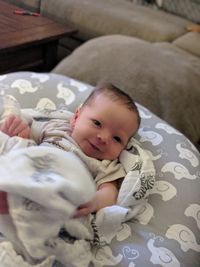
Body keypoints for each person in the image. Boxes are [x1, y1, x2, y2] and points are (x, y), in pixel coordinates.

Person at [0, 83, 141, 217]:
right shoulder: (56, 127)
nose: (104, 138)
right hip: (28, 172)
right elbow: (28, 142)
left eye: (117, 139)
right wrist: (17, 134)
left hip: (56, 194)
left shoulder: (106, 165)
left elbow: (110, 194)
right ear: (76, 117)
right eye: (97, 123)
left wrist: (95, 202)